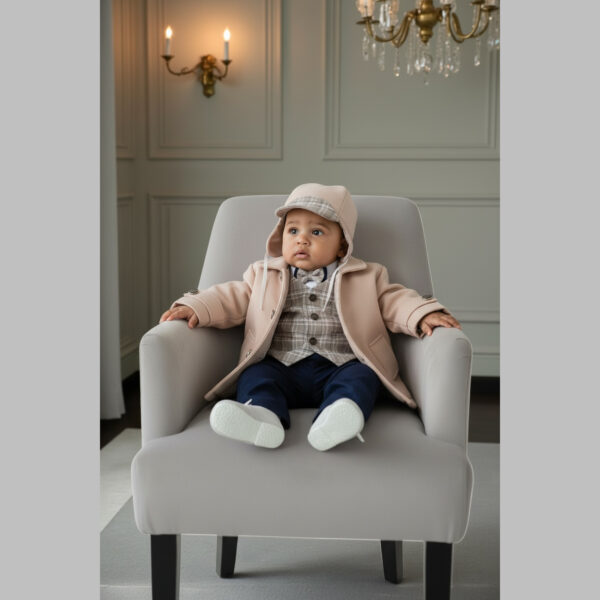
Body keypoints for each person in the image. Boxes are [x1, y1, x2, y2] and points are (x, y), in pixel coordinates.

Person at [159, 183, 461, 451]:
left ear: (342, 244)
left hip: (340, 365)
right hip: (281, 366)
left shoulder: (367, 275)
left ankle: (338, 416)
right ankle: (263, 418)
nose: (302, 240)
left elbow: (394, 300)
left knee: (363, 377)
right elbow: (230, 297)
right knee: (255, 375)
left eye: (316, 232)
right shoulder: (263, 274)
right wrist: (196, 306)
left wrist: (421, 314)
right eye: (293, 231)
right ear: (281, 236)